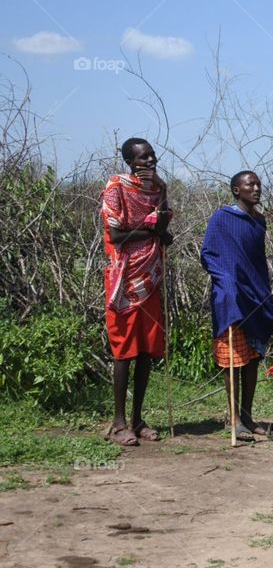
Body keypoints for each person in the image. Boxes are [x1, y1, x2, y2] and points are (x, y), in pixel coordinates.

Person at [100, 137, 173, 446]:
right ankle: (118, 423)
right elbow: (116, 235)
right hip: (124, 278)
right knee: (124, 350)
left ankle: (138, 419)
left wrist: (162, 198)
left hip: (150, 277)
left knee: (146, 349)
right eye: (143, 158)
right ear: (130, 162)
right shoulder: (116, 186)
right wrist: (152, 231)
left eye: (152, 155)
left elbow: (163, 227)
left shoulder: (157, 189)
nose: (150, 161)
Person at [200, 171, 273, 441]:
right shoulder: (222, 218)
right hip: (231, 296)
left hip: (256, 294)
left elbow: (257, 259)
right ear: (236, 190)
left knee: (252, 358)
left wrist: (262, 289)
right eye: (249, 184)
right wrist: (228, 281)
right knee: (233, 359)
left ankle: (248, 416)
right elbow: (208, 254)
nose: (256, 188)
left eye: (258, 184)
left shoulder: (259, 221)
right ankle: (233, 419)